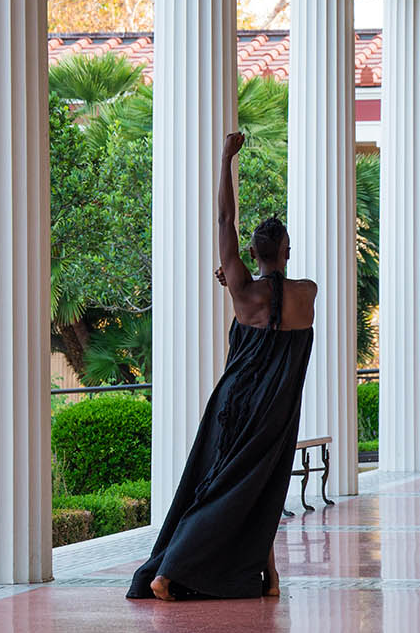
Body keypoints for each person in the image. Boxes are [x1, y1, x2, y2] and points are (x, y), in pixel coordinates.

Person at [127, 131, 317, 601]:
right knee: (263, 486)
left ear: (252, 254)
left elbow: (224, 217)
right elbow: (281, 298)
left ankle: (213, 574)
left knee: (220, 483)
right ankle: (184, 571)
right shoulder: (308, 293)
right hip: (274, 411)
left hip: (234, 404)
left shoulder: (243, 292)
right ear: (287, 250)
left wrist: (226, 159)